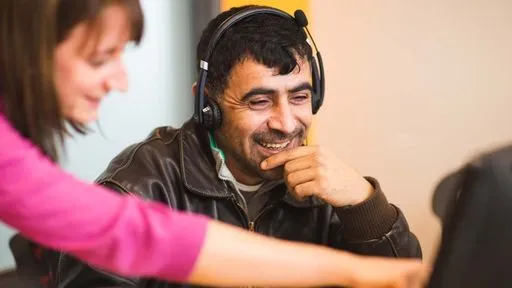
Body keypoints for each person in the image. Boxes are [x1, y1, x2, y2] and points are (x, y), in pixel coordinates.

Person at [0, 1, 427, 288]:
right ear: (208, 108)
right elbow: (151, 236)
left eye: (299, 96)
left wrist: (364, 207)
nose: (122, 81)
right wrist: (353, 272)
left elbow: (151, 237)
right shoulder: (139, 184)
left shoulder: (14, 166)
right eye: (99, 58)